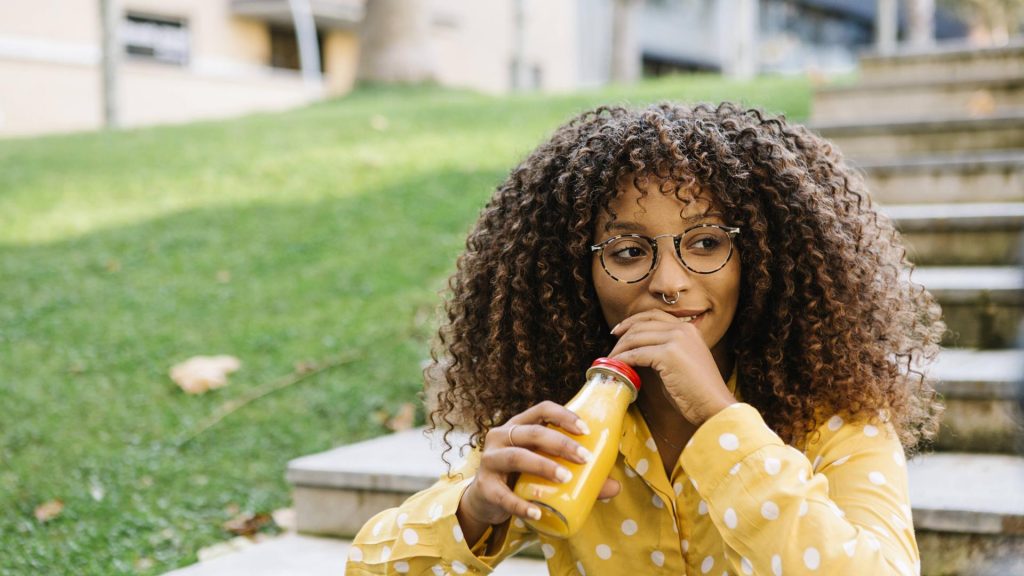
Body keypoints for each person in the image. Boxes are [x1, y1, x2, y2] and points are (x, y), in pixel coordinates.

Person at [344, 102, 944, 575]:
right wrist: (475, 509)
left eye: (707, 243)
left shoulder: (833, 420)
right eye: (629, 252)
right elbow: (372, 571)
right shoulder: (569, 423)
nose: (669, 282)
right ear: (575, 276)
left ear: (762, 257)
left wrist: (720, 419)